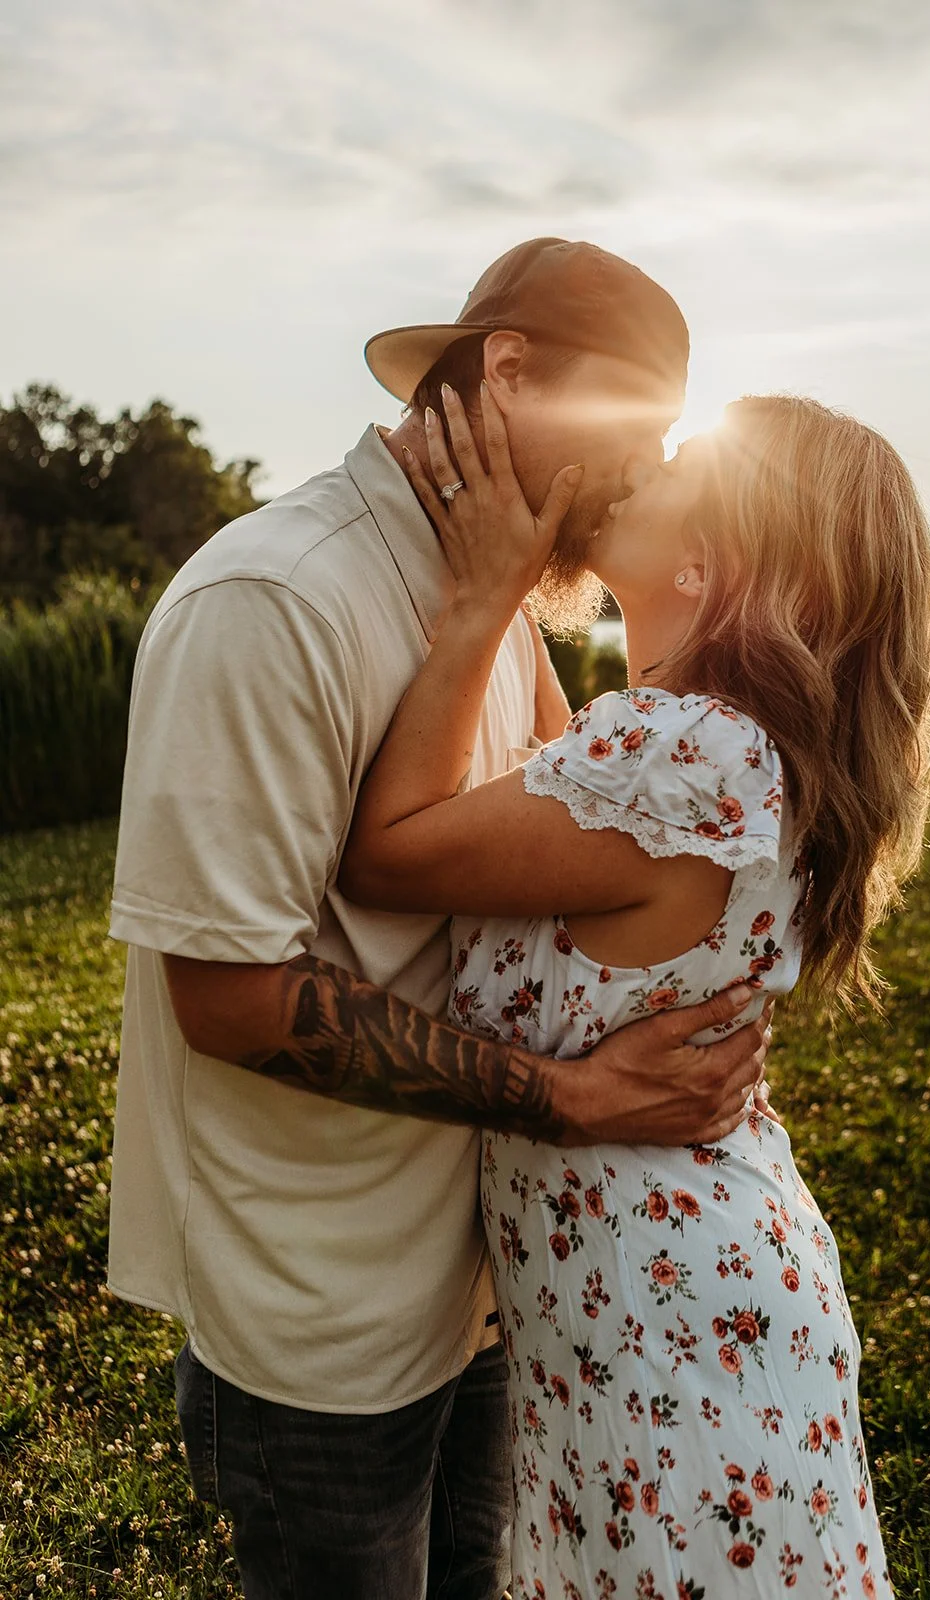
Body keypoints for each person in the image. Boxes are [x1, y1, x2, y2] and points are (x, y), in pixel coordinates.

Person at [105, 238, 773, 1600]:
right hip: (327, 1329)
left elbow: (554, 860)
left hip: (483, 1288)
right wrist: (573, 1099)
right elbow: (228, 996)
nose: (646, 473)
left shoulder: (504, 603)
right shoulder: (275, 601)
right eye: (632, 433)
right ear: (510, 374)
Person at [341, 382, 930, 1597]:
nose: (643, 462)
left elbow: (390, 851)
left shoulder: (685, 753)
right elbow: (545, 798)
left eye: (679, 459)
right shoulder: (688, 742)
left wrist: (477, 600)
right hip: (661, 1294)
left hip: (662, 1314)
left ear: (711, 555)